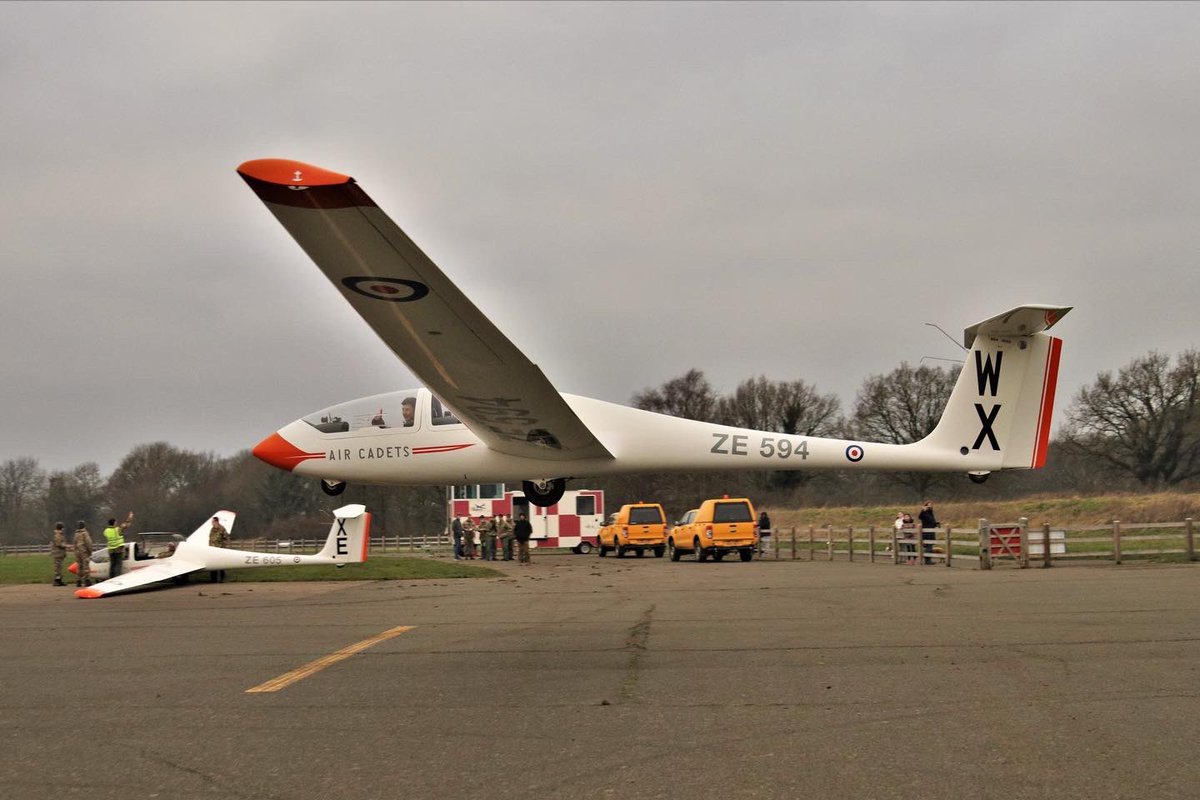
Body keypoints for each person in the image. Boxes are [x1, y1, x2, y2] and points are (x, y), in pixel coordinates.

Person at [102, 511, 134, 580]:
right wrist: (130, 516)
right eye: (116, 522)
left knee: (112, 565)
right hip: (118, 549)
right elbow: (127, 524)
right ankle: (117, 579)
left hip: (111, 550)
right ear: (114, 523)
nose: (117, 523)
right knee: (118, 565)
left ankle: (111, 578)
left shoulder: (106, 531)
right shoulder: (118, 529)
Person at [208, 515, 230, 582]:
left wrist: (223, 546)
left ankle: (221, 579)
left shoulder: (222, 529)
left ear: (216, 521)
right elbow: (211, 538)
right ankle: (213, 579)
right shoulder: (212, 529)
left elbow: (226, 538)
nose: (212, 523)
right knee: (212, 565)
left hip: (220, 549)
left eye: (213, 521)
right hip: (212, 549)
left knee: (221, 565)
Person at [72, 521, 93, 587]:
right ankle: (87, 580)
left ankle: (78, 581)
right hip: (84, 551)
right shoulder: (85, 533)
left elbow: (74, 543)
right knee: (86, 566)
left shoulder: (76, 534)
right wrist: (90, 551)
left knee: (79, 566)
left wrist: (75, 551)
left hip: (77, 552)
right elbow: (88, 543)